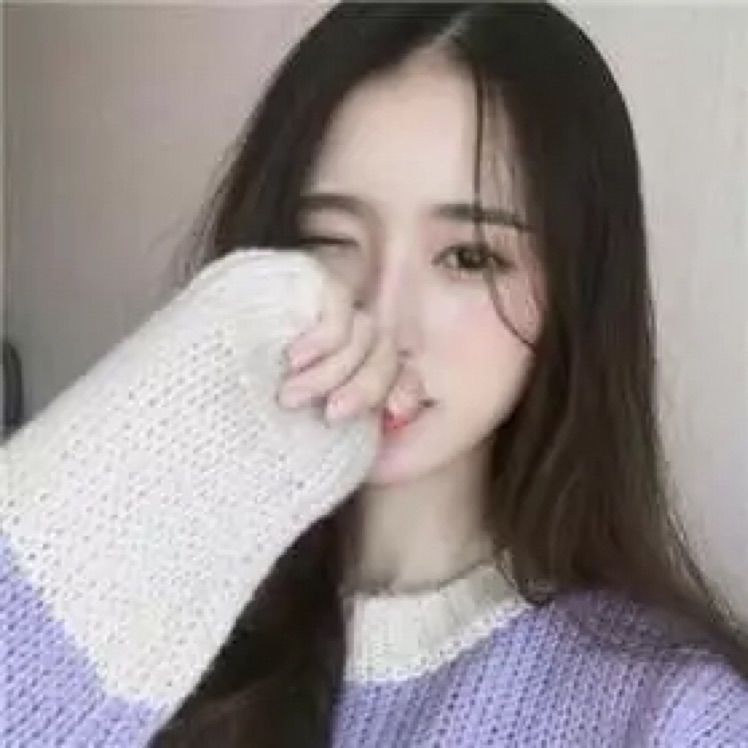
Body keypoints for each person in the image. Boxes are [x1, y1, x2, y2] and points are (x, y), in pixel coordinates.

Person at [2, 2, 747, 746]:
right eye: (328, 240)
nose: (385, 318)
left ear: (575, 292)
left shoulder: (672, 716)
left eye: (469, 257)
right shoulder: (148, 623)